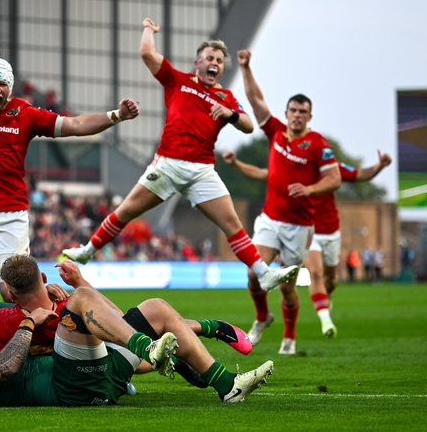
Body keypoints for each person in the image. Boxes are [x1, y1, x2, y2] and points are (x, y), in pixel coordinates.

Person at [0, 9, 140, 307]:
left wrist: (116, 115)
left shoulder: (26, 114)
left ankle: (28, 339)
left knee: (12, 292)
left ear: (10, 88)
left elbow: (76, 125)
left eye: (1, 84)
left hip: (10, 214)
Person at [62, 18, 298, 294]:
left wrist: (231, 114)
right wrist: (149, 29)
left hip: (202, 171)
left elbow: (247, 124)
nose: (215, 63)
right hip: (169, 164)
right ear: (197, 63)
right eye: (210, 58)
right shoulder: (179, 80)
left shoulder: (226, 97)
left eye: (220, 61)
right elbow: (147, 54)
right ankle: (87, 251)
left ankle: (264, 274)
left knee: (232, 223)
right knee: (126, 211)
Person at [0, 256, 274, 406]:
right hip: (71, 387)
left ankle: (229, 386)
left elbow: (107, 321)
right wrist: (30, 322)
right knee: (81, 301)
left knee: (154, 308)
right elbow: (3, 370)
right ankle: (152, 349)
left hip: (97, 369)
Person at [235, 49, 341, 354]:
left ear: (309, 116)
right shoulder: (276, 132)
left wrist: (309, 190)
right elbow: (255, 102)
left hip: (299, 227)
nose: (296, 115)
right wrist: (246, 67)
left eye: (302, 112)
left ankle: (290, 338)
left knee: (286, 287)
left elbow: (334, 179)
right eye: (292, 110)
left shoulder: (318, 144)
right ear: (287, 113)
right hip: (270, 218)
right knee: (253, 274)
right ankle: (262, 317)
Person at [222, 149, 391, 338]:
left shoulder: (332, 168)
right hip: (304, 230)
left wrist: (380, 166)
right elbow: (261, 174)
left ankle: (325, 299)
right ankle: (318, 323)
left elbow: (360, 174)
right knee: (312, 275)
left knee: (330, 281)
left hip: (330, 231)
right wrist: (236, 163)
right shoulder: (290, 168)